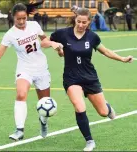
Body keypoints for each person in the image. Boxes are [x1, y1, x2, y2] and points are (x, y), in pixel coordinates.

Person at [46, 8, 133, 151]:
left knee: (103, 113)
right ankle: (89, 141)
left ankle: (108, 107)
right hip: (71, 77)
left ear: (89, 22)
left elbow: (106, 51)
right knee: (80, 107)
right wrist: (55, 46)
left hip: (90, 77)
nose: (80, 25)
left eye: (84, 22)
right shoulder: (63, 33)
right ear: (75, 19)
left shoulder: (92, 37)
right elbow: (44, 41)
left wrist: (122, 59)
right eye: (78, 21)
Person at [0, 3, 63, 141]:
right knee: (21, 94)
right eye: (18, 19)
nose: (21, 22)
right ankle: (19, 130)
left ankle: (43, 122)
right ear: (13, 17)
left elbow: (44, 41)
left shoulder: (34, 26)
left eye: (24, 18)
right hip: (24, 69)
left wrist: (53, 44)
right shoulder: (10, 35)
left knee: (44, 102)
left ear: (27, 16)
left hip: (41, 68)